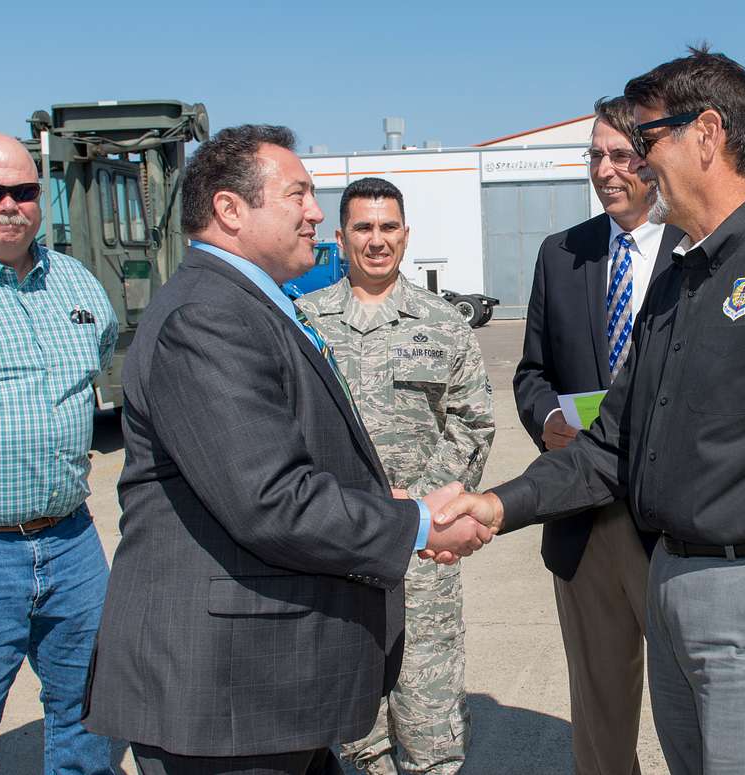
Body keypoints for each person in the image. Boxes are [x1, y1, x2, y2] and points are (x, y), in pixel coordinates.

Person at [435, 47, 745, 774]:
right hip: (677, 589)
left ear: (706, 134)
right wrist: (493, 506)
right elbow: (611, 446)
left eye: (646, 142)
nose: (635, 164)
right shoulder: (678, 284)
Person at [81, 125, 492, 775]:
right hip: (225, 695)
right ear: (229, 208)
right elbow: (269, 498)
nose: (314, 212)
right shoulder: (208, 317)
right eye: (297, 194)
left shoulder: (251, 307)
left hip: (261, 688)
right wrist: (414, 520)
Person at [297, 177, 495, 775]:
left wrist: (424, 503)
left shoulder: (443, 323)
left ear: (406, 236)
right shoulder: (305, 324)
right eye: (363, 228)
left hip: (422, 552)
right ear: (340, 237)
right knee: (357, 731)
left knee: (430, 724)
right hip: (340, 550)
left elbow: (473, 422)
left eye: (388, 228)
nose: (376, 241)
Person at [0, 133, 118, 773]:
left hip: (71, 544)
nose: (7, 204)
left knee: (93, 711)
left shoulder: (77, 284)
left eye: (22, 191)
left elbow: (98, 371)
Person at [513, 97, 683, 775]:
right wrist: (549, 421)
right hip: (583, 521)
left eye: (622, 155)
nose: (606, 170)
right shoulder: (562, 255)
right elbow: (530, 372)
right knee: (601, 717)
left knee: (693, 710)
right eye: (595, 154)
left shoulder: (695, 251)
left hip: (671, 524)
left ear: (654, 159)